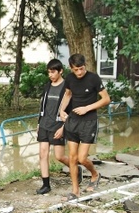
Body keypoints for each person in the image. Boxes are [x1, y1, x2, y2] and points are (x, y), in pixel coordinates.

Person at [59, 54, 110, 201]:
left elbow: (106, 99)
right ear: (71, 68)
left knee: (82, 158)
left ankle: (95, 174)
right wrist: (62, 110)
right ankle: (75, 191)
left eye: (81, 69)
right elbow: (68, 95)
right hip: (73, 121)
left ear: (85, 66)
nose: (79, 72)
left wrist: (87, 108)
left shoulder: (93, 78)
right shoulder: (69, 78)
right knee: (73, 158)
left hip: (89, 121)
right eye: (76, 70)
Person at [35, 58, 81, 194]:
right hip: (44, 124)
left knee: (59, 156)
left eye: (53, 72)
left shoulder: (67, 88)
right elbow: (42, 105)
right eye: (49, 72)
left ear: (60, 71)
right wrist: (39, 122)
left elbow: (71, 110)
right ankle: (46, 184)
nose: (50, 75)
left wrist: (63, 128)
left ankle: (76, 168)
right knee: (42, 154)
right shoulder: (47, 86)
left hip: (58, 125)